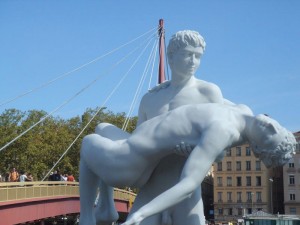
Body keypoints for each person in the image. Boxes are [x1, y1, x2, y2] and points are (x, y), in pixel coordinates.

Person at [83, 30, 226, 225]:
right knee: (99, 131)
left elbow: (220, 151)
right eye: (187, 54)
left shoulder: (208, 93)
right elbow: (138, 144)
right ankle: (103, 206)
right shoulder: (150, 99)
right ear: (171, 56)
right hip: (151, 187)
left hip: (185, 192)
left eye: (198, 56)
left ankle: (99, 212)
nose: (193, 61)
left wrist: (195, 149)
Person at [79, 103, 296, 225]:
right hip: (132, 141)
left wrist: (142, 213)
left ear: (257, 149)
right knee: (102, 126)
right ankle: (106, 206)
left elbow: (188, 185)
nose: (271, 127)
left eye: (270, 136)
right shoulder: (244, 110)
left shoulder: (223, 131)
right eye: (278, 128)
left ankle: (88, 218)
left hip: (130, 162)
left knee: (88, 142)